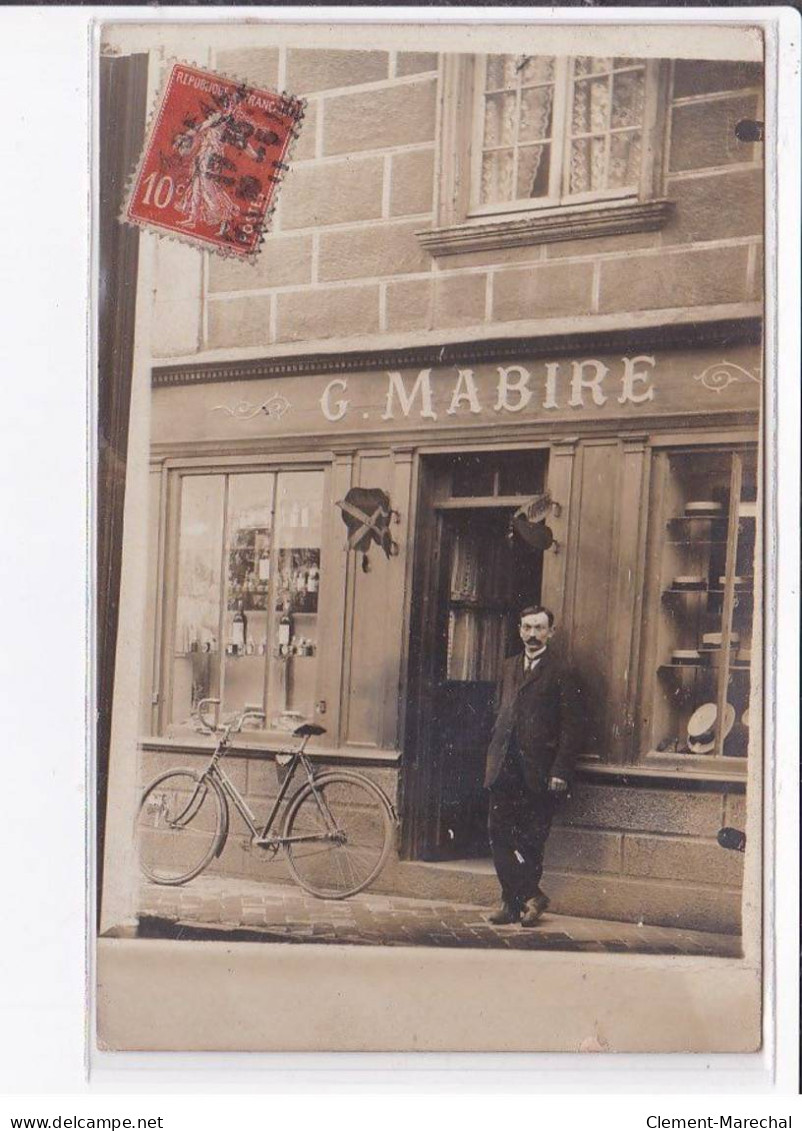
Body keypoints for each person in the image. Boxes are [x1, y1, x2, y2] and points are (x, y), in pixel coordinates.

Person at [484, 605, 580, 927]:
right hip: (504, 768)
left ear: (551, 632)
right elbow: (499, 712)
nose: (532, 635)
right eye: (527, 628)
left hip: (540, 771)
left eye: (539, 628)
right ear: (519, 630)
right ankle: (527, 898)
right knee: (498, 833)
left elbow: (572, 727)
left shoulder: (562, 671)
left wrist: (560, 770)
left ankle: (517, 904)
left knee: (530, 840)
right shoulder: (508, 666)